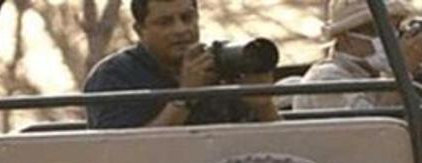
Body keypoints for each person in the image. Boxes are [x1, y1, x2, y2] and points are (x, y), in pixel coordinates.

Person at [84, 0, 278, 129]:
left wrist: (263, 105)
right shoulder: (113, 76)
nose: (181, 29)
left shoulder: (221, 65)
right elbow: (123, 152)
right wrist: (186, 96)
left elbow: (282, 150)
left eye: (187, 18)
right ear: (140, 30)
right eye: (165, 22)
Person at [292, 0, 422, 112]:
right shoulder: (326, 79)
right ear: (345, 38)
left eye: (397, 28)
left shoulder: (377, 77)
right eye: (377, 30)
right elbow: (377, 131)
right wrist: (402, 69)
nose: (392, 38)